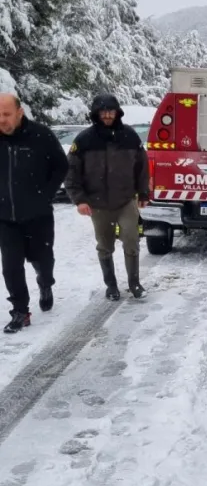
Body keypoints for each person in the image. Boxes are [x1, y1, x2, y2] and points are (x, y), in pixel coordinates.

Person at [65, 94, 150, 300]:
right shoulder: (84, 140)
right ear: (96, 114)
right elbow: (71, 172)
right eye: (103, 112)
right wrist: (80, 199)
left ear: (117, 113)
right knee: (105, 246)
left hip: (126, 201)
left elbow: (142, 167)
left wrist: (143, 192)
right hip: (98, 204)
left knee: (131, 241)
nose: (107, 115)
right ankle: (111, 285)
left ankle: (134, 283)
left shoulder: (130, 136)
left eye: (111, 111)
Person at [0, 93, 68, 334]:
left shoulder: (41, 136)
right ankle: (21, 311)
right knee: (10, 266)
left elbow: (62, 166)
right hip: (6, 218)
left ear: (19, 113)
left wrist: (45, 194)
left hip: (38, 216)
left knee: (42, 260)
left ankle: (45, 283)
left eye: (6, 114)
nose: (2, 120)